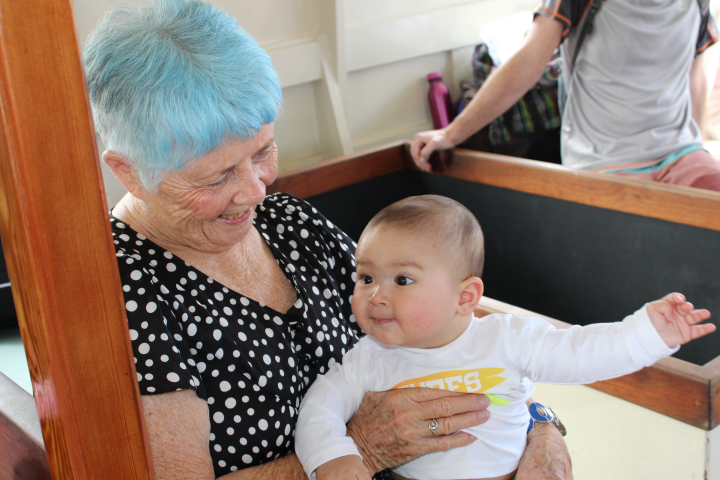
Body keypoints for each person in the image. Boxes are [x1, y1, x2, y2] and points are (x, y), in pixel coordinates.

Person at [83, 1, 573, 478]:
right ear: (129, 171)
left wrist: (539, 426)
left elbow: (446, 338)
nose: (256, 191)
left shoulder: (292, 223)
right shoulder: (122, 291)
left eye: (263, 151)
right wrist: (358, 450)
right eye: (215, 178)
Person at [295, 195, 715, 480]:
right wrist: (333, 456)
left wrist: (647, 333)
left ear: (466, 296)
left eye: (402, 279)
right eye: (365, 277)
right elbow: (319, 408)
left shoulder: (507, 339)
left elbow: (581, 353)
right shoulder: (366, 359)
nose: (376, 295)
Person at [411, 1, 720, 192]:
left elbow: (697, 75)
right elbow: (529, 60)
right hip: (605, 160)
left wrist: (699, 148)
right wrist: (451, 133)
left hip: (680, 153)